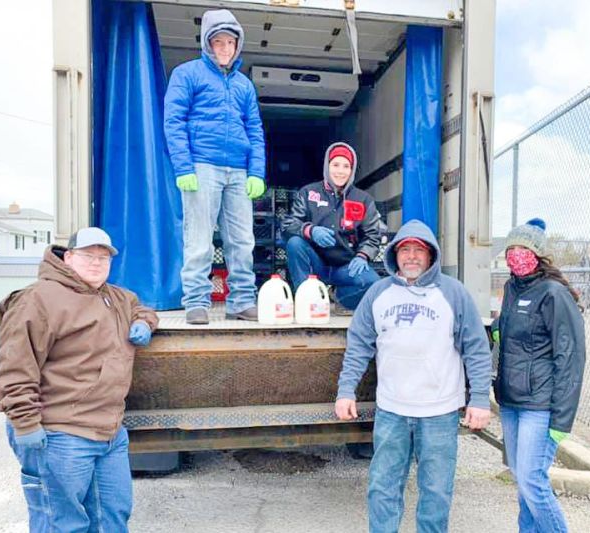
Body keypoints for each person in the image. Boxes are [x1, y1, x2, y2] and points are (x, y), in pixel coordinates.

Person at [0, 227, 159, 532]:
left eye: (103, 257)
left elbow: (141, 307)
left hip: (109, 433)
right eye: (87, 256)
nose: (97, 263)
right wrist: (26, 424)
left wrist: (143, 321)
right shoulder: (38, 300)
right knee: (63, 523)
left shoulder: (116, 297)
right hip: (61, 434)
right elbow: (15, 369)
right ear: (67, 257)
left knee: (113, 517)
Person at [334, 219, 492, 533]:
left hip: (439, 412)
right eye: (404, 249)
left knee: (436, 491)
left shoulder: (453, 293)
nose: (411, 257)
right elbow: (358, 345)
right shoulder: (378, 293)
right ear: (394, 255)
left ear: (431, 255)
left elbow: (476, 348)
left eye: (418, 250)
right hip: (392, 411)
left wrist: (479, 399)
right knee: (383, 487)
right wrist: (345, 389)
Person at [164, 9, 265, 324]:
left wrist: (256, 173)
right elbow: (173, 122)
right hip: (202, 167)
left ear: (237, 45)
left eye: (230, 42)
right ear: (207, 44)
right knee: (199, 239)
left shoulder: (245, 85)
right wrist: (184, 168)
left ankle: (242, 301)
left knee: (243, 241)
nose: (224, 48)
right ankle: (196, 301)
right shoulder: (187, 73)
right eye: (218, 42)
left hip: (238, 172)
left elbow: (255, 130)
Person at [495, 218, 586, 533]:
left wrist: (562, 419)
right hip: (511, 401)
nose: (516, 255)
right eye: (512, 249)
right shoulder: (510, 288)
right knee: (522, 479)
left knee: (532, 480)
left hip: (539, 404)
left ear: (539, 255)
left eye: (524, 248)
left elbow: (571, 358)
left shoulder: (554, 293)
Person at [281, 142, 382, 312]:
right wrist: (310, 230)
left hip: (346, 266)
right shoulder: (308, 193)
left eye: (346, 166)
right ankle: (306, 302)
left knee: (373, 284)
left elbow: (372, 235)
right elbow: (288, 225)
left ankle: (339, 298)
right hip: (316, 264)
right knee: (294, 244)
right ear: (327, 166)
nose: (340, 171)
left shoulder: (363, 199)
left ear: (352, 170)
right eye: (335, 165)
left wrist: (363, 255)